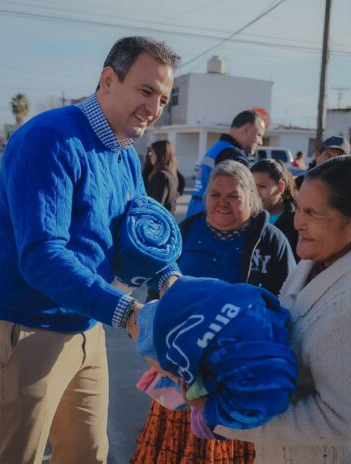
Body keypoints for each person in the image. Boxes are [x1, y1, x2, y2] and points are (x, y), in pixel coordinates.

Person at [0, 36, 181, 464]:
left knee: (88, 454)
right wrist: (128, 313)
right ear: (108, 80)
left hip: (87, 328)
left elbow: (143, 231)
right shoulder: (49, 139)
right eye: (146, 91)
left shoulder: (124, 151)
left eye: (163, 99)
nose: (154, 108)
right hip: (24, 331)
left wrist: (169, 277)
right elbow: (42, 257)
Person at [211, 155, 351, 463]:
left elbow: (340, 421)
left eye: (312, 213)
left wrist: (232, 415)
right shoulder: (315, 262)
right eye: (299, 208)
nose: (298, 222)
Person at [133, 160, 295, 464]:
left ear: (250, 197)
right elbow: (158, 295)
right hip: (181, 369)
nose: (222, 203)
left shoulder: (272, 241)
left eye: (233, 196)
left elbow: (287, 305)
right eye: (215, 195)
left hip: (236, 374)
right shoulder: (186, 232)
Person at [186, 110, 266, 217]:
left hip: (196, 215)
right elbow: (243, 199)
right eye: (259, 135)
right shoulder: (232, 155)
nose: (261, 142)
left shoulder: (218, 148)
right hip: (211, 219)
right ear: (246, 129)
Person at [251, 158, 299, 261]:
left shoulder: (297, 222)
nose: (255, 193)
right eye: (252, 187)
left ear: (280, 187)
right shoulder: (246, 218)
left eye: (262, 186)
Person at [143, 140, 179, 214]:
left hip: (157, 219)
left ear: (160, 155)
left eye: (152, 152)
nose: (150, 155)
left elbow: (157, 205)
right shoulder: (170, 173)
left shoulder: (161, 176)